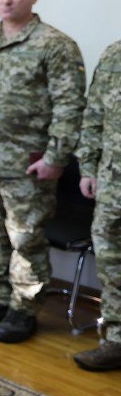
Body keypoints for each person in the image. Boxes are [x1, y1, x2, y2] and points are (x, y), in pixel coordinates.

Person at [0, 0, 86, 343]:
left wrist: (56, 157)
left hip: (28, 165)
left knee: (26, 239)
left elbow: (69, 105)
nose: (7, 0)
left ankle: (24, 308)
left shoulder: (55, 45)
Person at [74, 39, 121, 371]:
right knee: (110, 262)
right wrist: (88, 167)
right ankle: (116, 340)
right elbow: (94, 115)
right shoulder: (114, 54)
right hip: (111, 182)